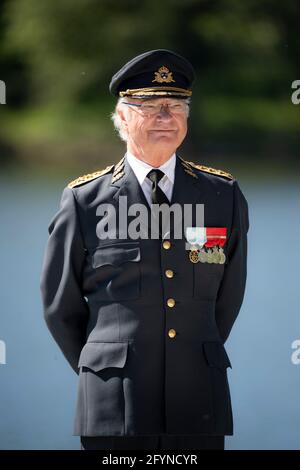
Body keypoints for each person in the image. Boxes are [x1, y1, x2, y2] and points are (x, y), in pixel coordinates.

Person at [40, 49, 249, 451]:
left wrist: (190, 355)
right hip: (112, 407)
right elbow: (59, 306)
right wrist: (100, 368)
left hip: (198, 404)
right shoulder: (84, 200)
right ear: (121, 116)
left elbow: (228, 297)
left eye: (175, 106)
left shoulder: (223, 194)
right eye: (149, 106)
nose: (165, 117)